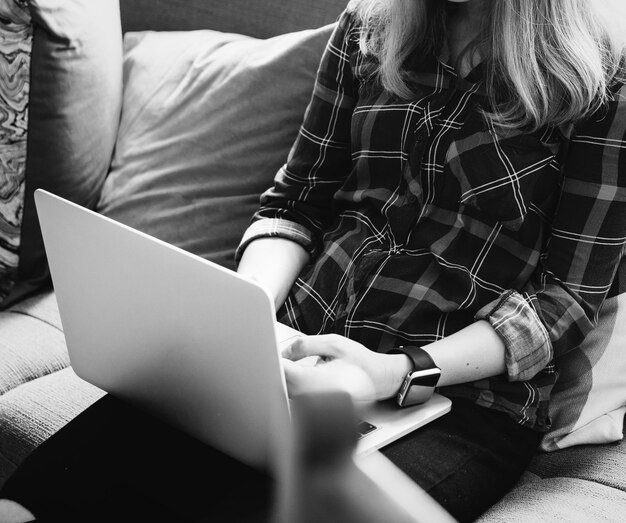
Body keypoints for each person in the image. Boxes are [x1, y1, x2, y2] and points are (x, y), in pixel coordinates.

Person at [1, 0, 625, 521]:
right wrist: (248, 319)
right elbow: (295, 202)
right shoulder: (371, 24)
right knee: (43, 494)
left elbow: (564, 300)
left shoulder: (603, 77)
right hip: (291, 354)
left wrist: (396, 373)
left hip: (456, 401)